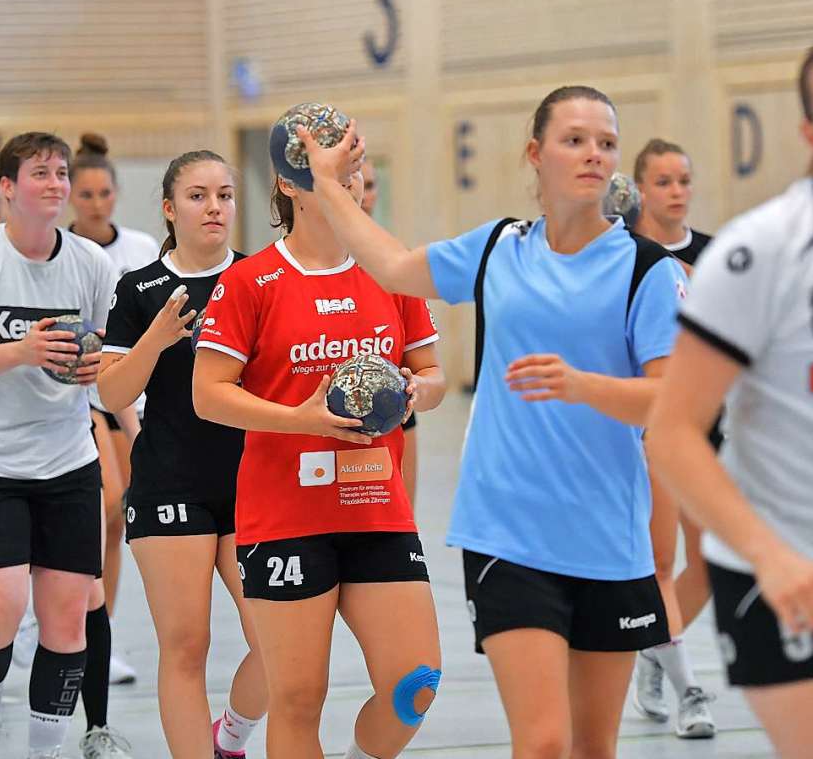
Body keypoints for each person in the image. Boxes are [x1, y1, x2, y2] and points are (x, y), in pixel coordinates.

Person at [296, 87, 686, 759]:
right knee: (541, 742)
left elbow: (671, 402)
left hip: (608, 539)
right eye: (573, 139)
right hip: (508, 532)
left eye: (605, 141)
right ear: (534, 154)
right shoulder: (498, 248)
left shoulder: (647, 272)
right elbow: (391, 264)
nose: (592, 153)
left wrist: (582, 385)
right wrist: (329, 185)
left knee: (593, 746)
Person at [193, 106, 446, 759]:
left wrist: (418, 389)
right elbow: (208, 395)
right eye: (333, 171)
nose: (349, 182)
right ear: (288, 184)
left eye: (355, 168)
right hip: (285, 515)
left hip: (376, 509)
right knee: (299, 697)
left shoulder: (392, 269)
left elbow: (433, 372)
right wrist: (299, 418)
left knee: (414, 684)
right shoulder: (251, 281)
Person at [0, 132, 117, 759]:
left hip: (67, 462)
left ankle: (46, 749)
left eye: (61, 171)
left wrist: (98, 371)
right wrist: (22, 350)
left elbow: (107, 358)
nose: (56, 183)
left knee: (66, 622)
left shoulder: (90, 263)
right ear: (7, 188)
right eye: (41, 172)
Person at [646, 46, 813, 759]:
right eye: (665, 180)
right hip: (780, 576)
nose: (678, 190)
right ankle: (662, 665)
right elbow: (672, 428)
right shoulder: (758, 252)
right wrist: (765, 554)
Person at [98, 150, 266, 759]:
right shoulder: (139, 289)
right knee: (186, 643)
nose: (214, 206)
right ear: (170, 209)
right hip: (169, 484)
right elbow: (112, 390)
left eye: (224, 194)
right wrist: (155, 339)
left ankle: (232, 737)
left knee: (276, 638)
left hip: (254, 486)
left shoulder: (261, 279)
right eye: (198, 195)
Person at [630, 139, 717, 737]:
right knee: (659, 559)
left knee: (711, 558)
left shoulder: (717, 255)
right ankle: (688, 685)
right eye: (663, 182)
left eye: (683, 179)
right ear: (640, 189)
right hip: (644, 423)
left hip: (706, 426)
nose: (676, 192)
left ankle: (654, 645)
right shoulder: (624, 254)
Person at [69, 133, 160, 685]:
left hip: (131, 395)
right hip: (82, 399)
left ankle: (100, 633)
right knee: (103, 508)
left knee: (116, 520)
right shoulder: (62, 250)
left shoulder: (141, 248)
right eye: (86, 194)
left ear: (116, 194)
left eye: (104, 192)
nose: (96, 203)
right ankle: (64, 626)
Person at [360, 158, 419, 510]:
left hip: (394, 409)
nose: (363, 195)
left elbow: (423, 364)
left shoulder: (396, 260)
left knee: (402, 516)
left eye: (370, 186)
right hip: (332, 417)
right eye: (356, 185)